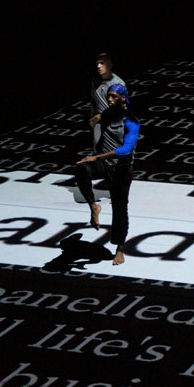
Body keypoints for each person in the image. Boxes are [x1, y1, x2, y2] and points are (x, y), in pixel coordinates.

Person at [76, 83, 139, 266]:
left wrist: (96, 157)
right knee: (81, 168)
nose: (109, 100)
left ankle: (120, 249)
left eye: (113, 97)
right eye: (109, 96)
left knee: (120, 210)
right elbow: (99, 115)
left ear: (123, 98)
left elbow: (126, 149)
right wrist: (95, 118)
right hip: (104, 164)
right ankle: (93, 206)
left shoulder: (132, 121)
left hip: (121, 169)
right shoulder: (109, 113)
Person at [89, 53, 125, 152]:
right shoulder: (95, 81)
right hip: (98, 124)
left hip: (113, 125)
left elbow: (119, 108)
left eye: (102, 63)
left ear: (110, 65)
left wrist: (100, 116)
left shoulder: (118, 84)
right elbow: (94, 101)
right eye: (97, 63)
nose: (98, 66)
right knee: (98, 151)